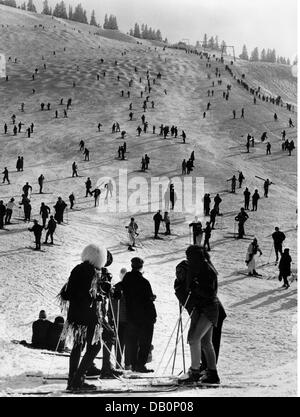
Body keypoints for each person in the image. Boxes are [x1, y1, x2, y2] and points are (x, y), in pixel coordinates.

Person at [58, 245, 113, 391]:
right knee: (95, 346)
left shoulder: (77, 269)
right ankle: (78, 379)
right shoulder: (93, 272)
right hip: (88, 315)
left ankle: (72, 380)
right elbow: (91, 294)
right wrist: (99, 296)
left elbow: (67, 293)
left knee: (78, 346)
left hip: (75, 315)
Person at [175, 246, 222, 384]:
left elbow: (210, 293)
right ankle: (212, 374)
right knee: (206, 342)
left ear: (195, 257)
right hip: (204, 308)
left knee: (194, 339)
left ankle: (194, 372)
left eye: (189, 257)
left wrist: (196, 288)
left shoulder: (207, 270)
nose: (188, 260)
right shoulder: (201, 267)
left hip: (209, 309)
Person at [118, 257, 157, 372]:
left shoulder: (126, 279)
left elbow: (120, 288)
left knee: (133, 341)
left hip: (131, 315)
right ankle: (140, 365)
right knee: (145, 342)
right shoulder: (144, 282)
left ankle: (134, 364)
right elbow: (148, 300)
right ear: (141, 267)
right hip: (145, 316)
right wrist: (153, 315)